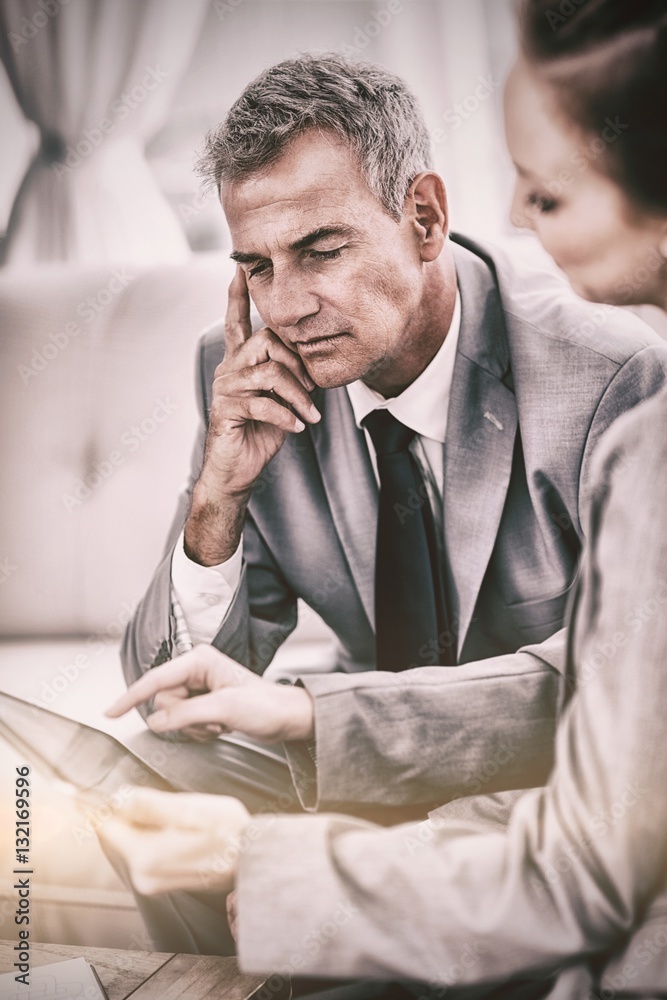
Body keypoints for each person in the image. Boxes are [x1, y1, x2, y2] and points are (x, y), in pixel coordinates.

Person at [103, 9, 667, 993]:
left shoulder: (612, 370)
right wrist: (218, 494)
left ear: (423, 218)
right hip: (358, 780)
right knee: (109, 795)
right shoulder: (247, 374)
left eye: (319, 251)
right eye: (255, 265)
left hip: (536, 797)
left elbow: (594, 699)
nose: (282, 305)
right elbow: (169, 697)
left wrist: (311, 716)